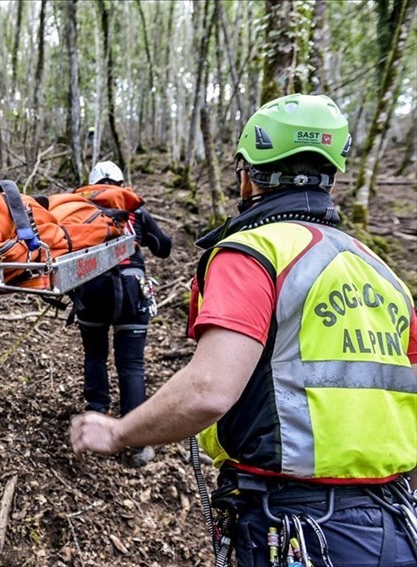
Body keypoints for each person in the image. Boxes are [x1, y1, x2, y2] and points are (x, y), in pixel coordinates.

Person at [70, 94, 417, 566]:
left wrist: (118, 433)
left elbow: (209, 390)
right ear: (332, 177)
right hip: (394, 521)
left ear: (249, 175)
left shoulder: (253, 253)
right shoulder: (381, 272)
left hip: (297, 526)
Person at [72, 160, 171, 467]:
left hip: (91, 287)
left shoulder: (78, 210)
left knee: (95, 354)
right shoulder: (135, 210)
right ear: (120, 182)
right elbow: (164, 246)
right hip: (132, 289)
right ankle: (136, 441)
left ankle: (96, 416)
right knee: (131, 364)